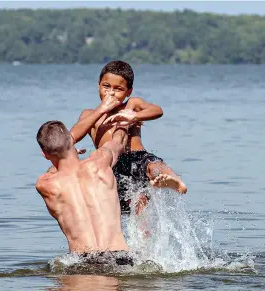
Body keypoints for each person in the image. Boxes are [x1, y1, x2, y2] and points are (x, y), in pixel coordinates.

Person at [70, 60, 187, 214]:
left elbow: (157, 110)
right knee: (136, 208)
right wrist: (101, 110)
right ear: (98, 84)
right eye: (106, 86)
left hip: (136, 157)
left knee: (152, 165)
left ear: (128, 92)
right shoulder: (89, 115)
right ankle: (141, 237)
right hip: (113, 168)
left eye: (118, 89)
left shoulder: (131, 105)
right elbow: (72, 136)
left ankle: (173, 179)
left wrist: (134, 117)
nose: (111, 93)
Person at [35, 120, 133, 265]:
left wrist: (62, 158)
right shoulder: (100, 161)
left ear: (45, 155)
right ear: (71, 142)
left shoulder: (45, 184)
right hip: (120, 258)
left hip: (81, 262)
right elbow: (119, 141)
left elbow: (56, 171)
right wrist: (124, 122)